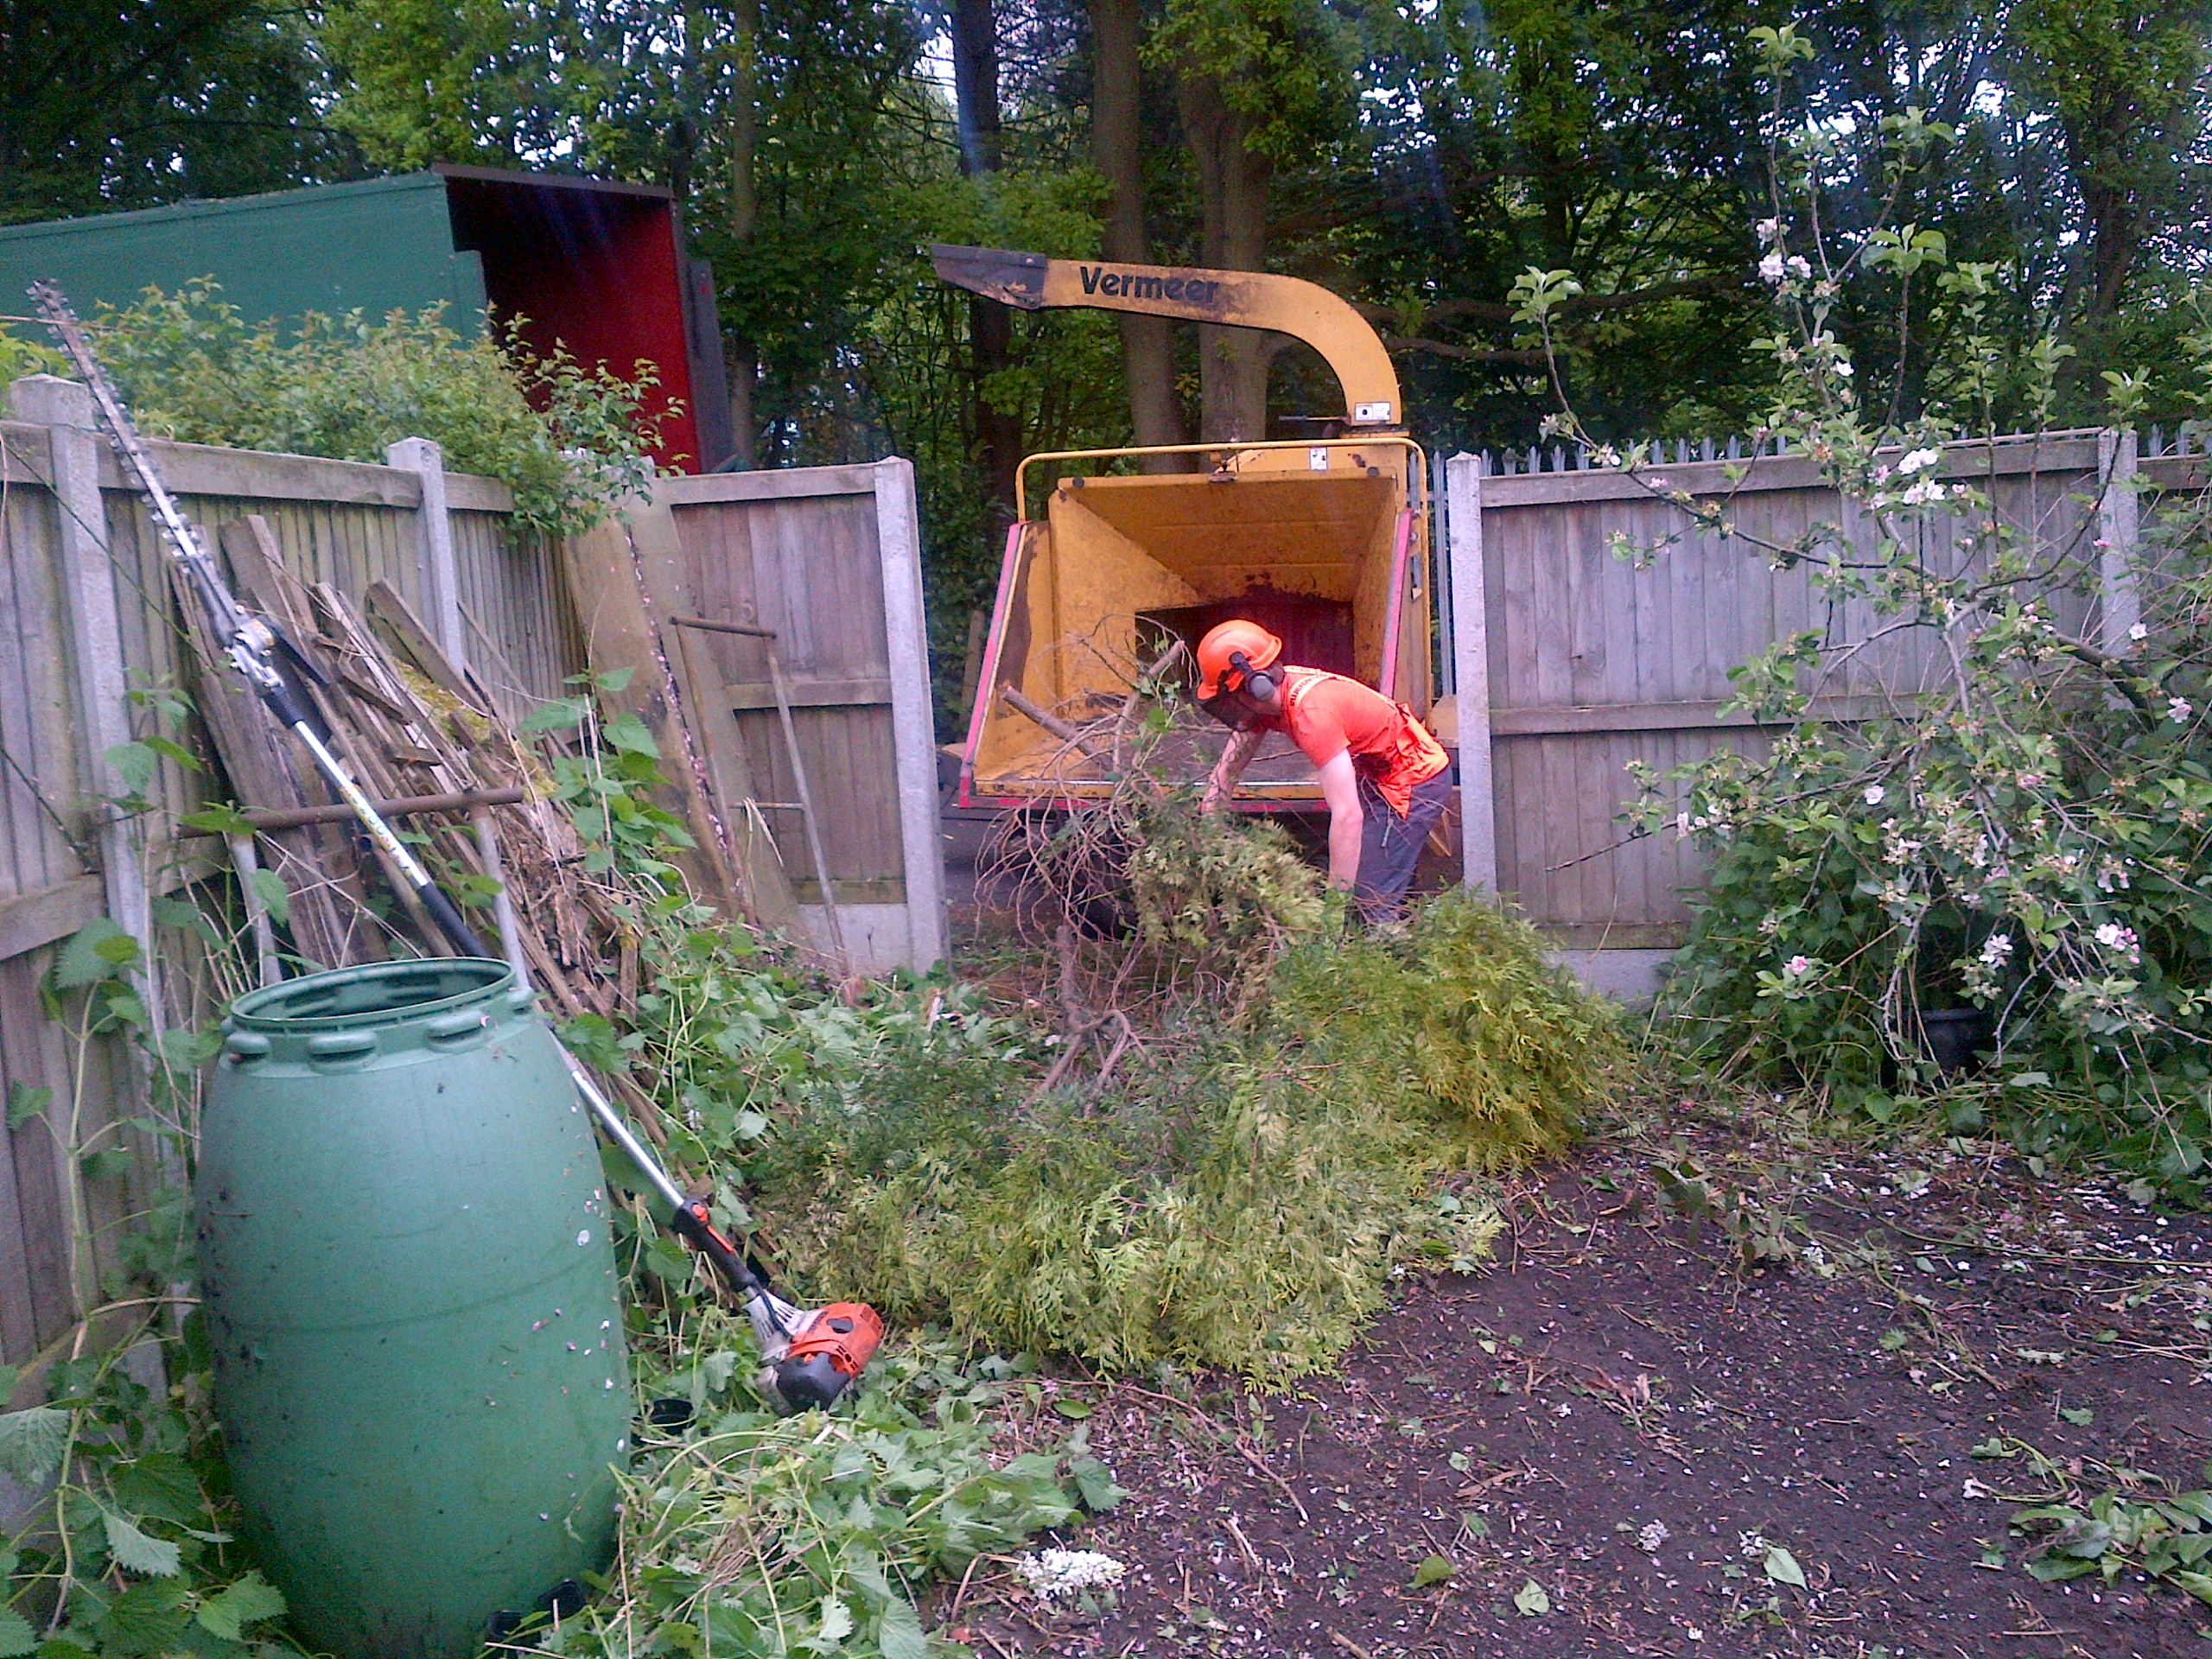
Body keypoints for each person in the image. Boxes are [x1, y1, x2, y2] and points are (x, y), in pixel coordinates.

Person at [1194, 619, 1452, 922]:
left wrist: (1331, 912)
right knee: (1361, 870)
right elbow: (1238, 752)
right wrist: (1213, 807)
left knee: (1368, 895)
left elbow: (1348, 816)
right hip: (1379, 773)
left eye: (1229, 698)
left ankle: (1385, 952)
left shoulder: (1312, 715)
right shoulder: (1273, 694)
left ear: (1254, 686)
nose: (1230, 707)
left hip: (1414, 777)